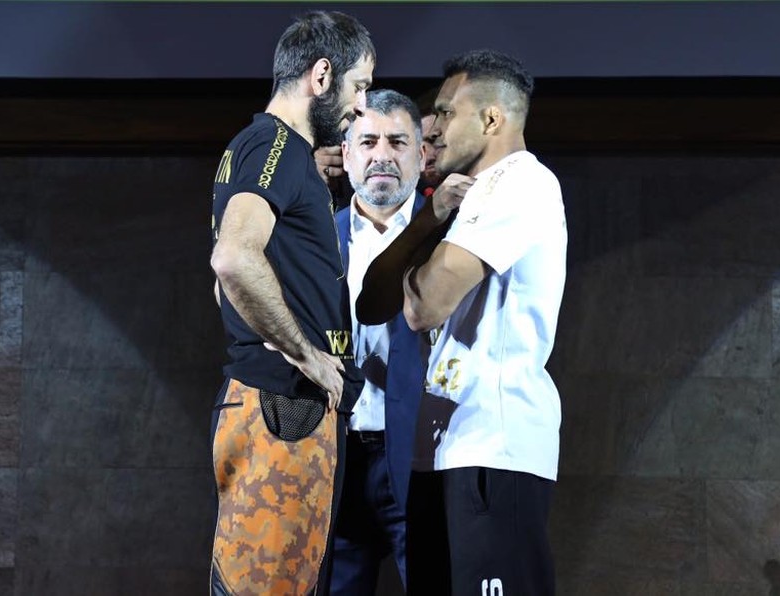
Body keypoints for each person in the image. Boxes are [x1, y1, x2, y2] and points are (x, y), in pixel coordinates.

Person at [357, 49, 566, 595]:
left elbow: (424, 305)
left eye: (447, 113)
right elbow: (373, 305)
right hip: (447, 447)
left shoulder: (521, 182)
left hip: (494, 446)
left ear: (492, 119)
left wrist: (419, 269)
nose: (434, 129)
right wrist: (428, 218)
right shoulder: (470, 197)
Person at [208, 11, 374, 595]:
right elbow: (231, 261)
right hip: (281, 408)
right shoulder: (272, 144)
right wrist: (305, 354)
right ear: (322, 76)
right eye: (360, 86)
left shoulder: (284, 153)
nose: (361, 106)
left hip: (285, 412)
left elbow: (230, 277)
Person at [329, 89, 430, 594]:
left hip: (422, 457)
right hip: (337, 460)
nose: (382, 155)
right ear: (346, 154)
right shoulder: (317, 238)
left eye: (397, 141)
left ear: (422, 154)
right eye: (367, 141)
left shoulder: (451, 237)